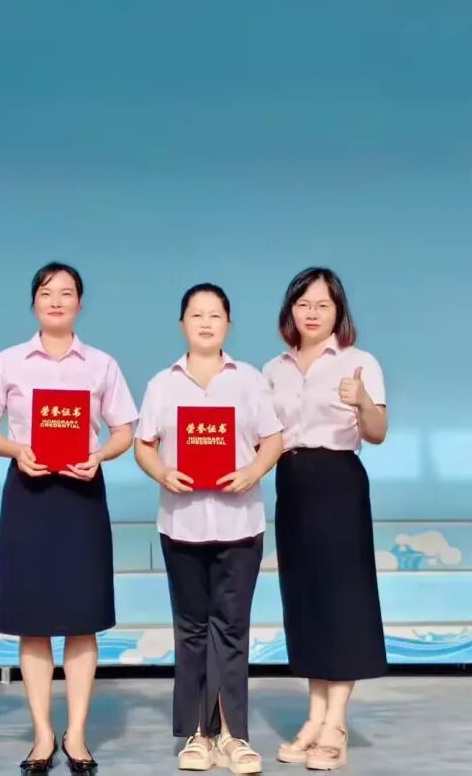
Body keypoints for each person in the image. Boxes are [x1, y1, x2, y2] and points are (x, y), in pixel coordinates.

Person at [0, 261, 137, 774]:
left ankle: (77, 733)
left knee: (83, 620)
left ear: (80, 303)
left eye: (66, 293)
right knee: (34, 621)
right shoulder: (8, 362)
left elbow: (125, 430)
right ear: (34, 303)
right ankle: (43, 733)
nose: (57, 301)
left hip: (82, 495)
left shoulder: (101, 364)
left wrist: (100, 455)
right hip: (29, 494)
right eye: (47, 292)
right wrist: (16, 449)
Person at [133, 283, 283, 775]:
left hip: (240, 524)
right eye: (196, 314)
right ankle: (199, 734)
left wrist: (253, 471)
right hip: (182, 524)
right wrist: (162, 473)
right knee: (192, 630)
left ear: (228, 324)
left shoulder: (249, 380)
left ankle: (235, 735)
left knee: (232, 629)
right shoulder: (162, 384)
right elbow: (143, 445)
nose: (205, 322)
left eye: (215, 315)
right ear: (182, 324)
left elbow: (273, 440)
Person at [263, 267, 389, 771]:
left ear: (339, 311)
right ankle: (314, 717)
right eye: (303, 303)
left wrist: (362, 402)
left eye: (323, 304)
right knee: (306, 600)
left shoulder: (359, 362)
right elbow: (263, 435)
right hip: (290, 483)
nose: (312, 313)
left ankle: (336, 723)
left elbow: (377, 432)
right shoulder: (273, 369)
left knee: (342, 599)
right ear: (290, 310)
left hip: (338, 481)